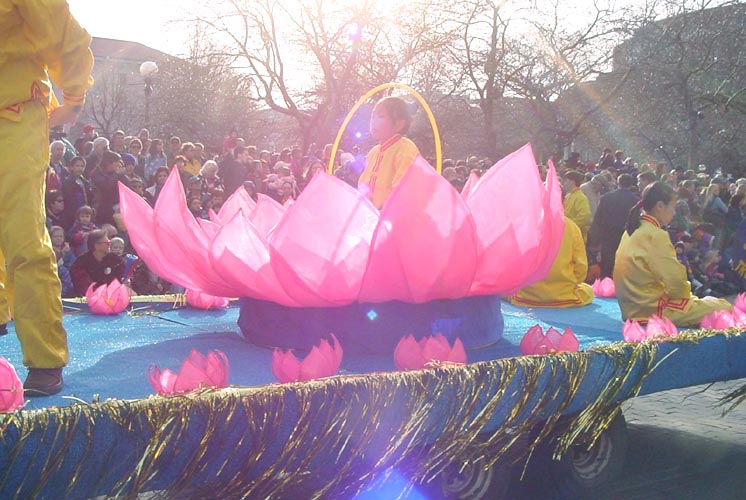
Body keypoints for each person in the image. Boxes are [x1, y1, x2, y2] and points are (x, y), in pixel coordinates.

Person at [0, 0, 94, 396]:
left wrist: (73, 94)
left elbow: (55, 26)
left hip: (12, 111)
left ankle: (44, 357)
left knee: (23, 235)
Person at [614, 182, 731, 326]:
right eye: (673, 207)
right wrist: (687, 297)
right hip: (653, 310)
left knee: (707, 302)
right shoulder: (656, 235)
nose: (674, 212)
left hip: (631, 309)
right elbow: (675, 280)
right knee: (724, 307)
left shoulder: (632, 230)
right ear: (660, 206)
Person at [509, 218, 594, 308]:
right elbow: (581, 268)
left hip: (526, 296)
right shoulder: (571, 227)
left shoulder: (523, 223)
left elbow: (511, 263)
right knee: (588, 290)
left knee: (504, 292)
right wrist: (571, 283)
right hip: (565, 296)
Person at [357, 96, 420, 209]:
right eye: (373, 116)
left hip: (392, 216)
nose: (373, 121)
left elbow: (403, 191)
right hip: (371, 215)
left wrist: (383, 211)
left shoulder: (405, 149)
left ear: (399, 124)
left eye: (380, 116)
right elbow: (363, 184)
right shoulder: (373, 152)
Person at [588, 174, 641, 278]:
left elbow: (598, 220)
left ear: (618, 182)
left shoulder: (606, 198)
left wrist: (594, 241)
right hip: (627, 239)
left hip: (608, 238)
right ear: (631, 185)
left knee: (607, 269)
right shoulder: (636, 201)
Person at [69, 229, 125, 297]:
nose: (110, 244)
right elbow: (85, 288)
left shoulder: (116, 260)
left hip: (114, 297)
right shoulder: (81, 263)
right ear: (96, 245)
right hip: (89, 299)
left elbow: (121, 280)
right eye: (107, 242)